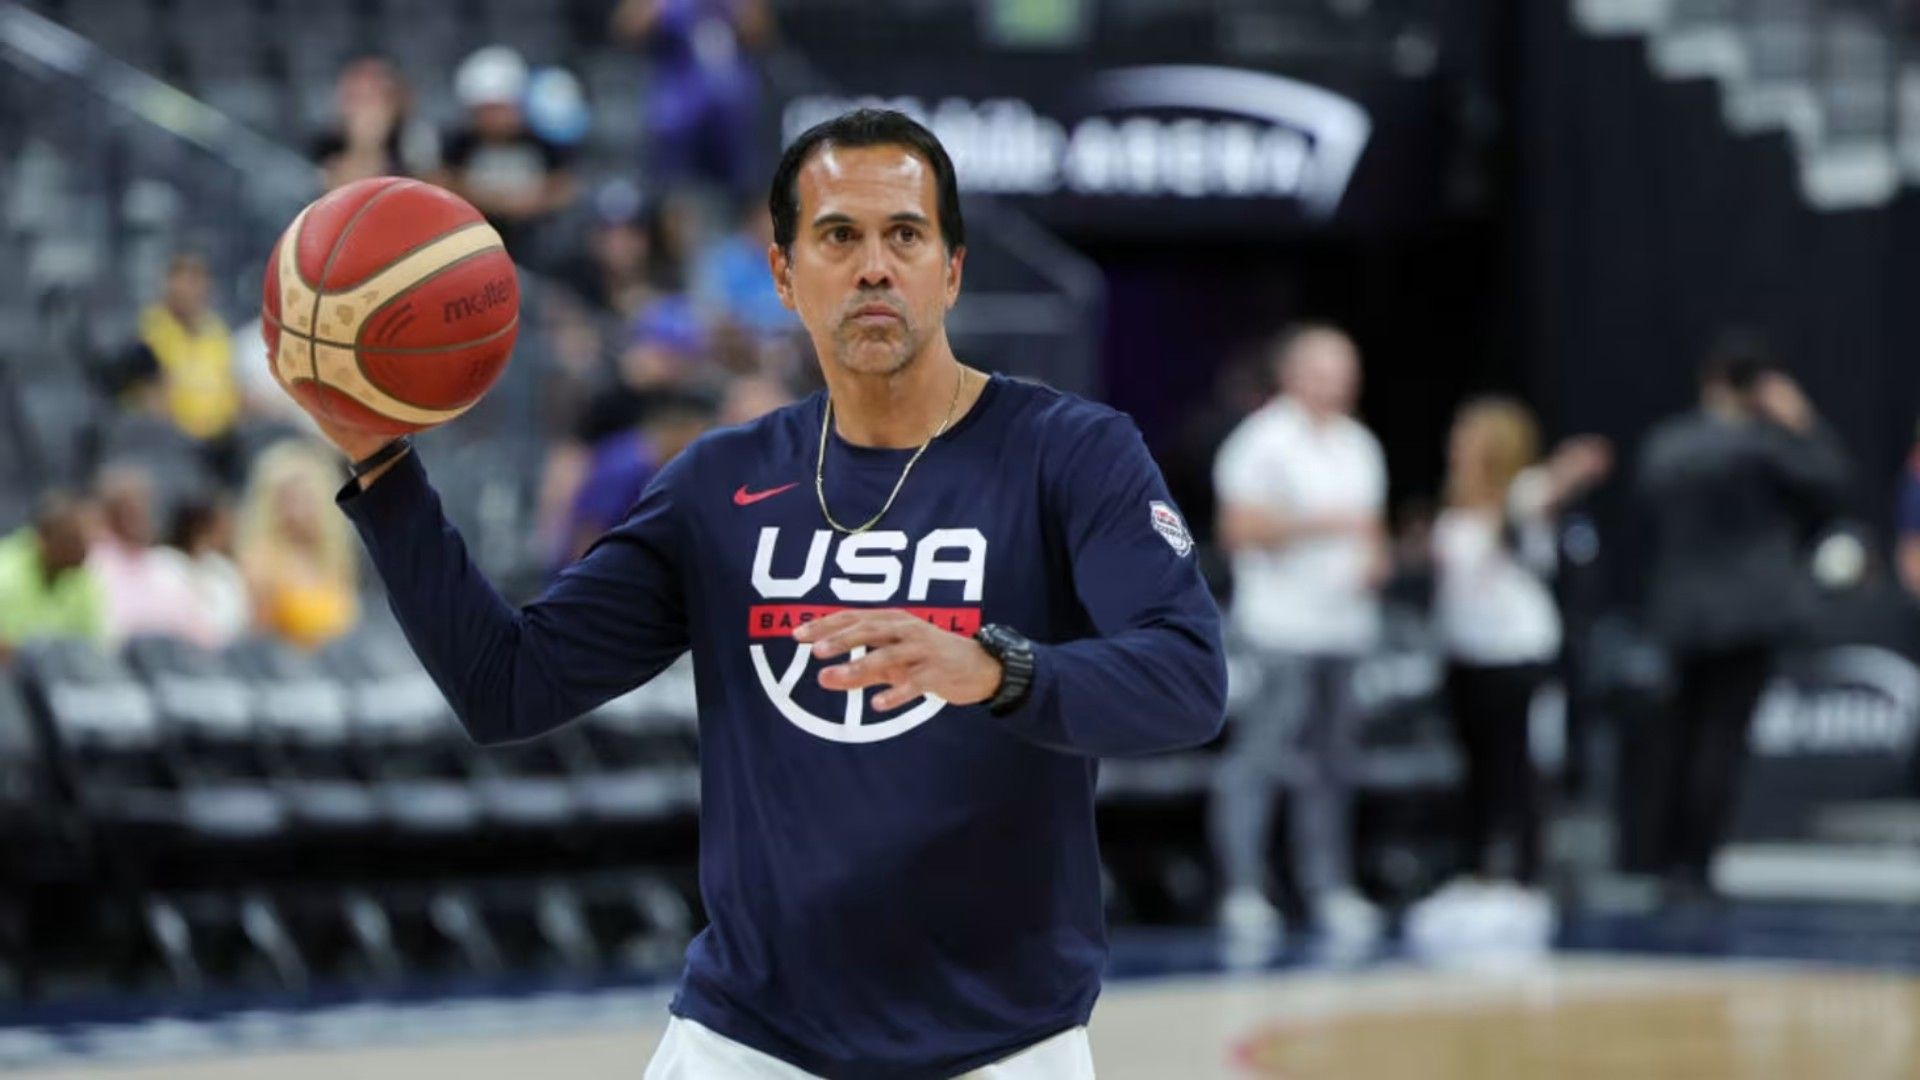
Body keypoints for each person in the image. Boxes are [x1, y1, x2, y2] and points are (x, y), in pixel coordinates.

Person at [278, 108, 1224, 1078]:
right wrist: (383, 469)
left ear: (951, 270)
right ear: (783, 274)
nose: (874, 268)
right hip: (747, 1041)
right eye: (838, 236)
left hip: (1003, 1044)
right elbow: (506, 688)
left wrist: (994, 668)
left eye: (904, 236)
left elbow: (1188, 681)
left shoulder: (1071, 454)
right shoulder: (719, 484)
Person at [1638, 343, 1848, 900]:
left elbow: (1646, 504)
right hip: (1746, 614)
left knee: (1681, 737)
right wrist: (1802, 422)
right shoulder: (1765, 447)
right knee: (1720, 741)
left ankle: (1665, 859)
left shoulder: (1669, 443)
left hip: (1683, 614)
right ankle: (1697, 863)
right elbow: (1832, 481)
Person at [1407, 398, 1610, 956]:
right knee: (1475, 770)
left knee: (1518, 768)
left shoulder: (1520, 496)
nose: (1456, 445)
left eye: (1468, 437)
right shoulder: (1454, 505)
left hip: (1517, 651)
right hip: (1464, 651)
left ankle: (1523, 880)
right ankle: (1475, 873)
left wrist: (1572, 467)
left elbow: (1545, 491)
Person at [1208, 323, 1388, 947]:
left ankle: (1328, 886)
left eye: (1345, 373)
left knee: (1334, 766)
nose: (1336, 384)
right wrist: (1320, 524)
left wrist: (1375, 559)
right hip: (1280, 628)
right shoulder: (1261, 443)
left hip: (1345, 629)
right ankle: (1243, 888)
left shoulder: (1360, 445)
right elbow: (1237, 529)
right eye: (1324, 371)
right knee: (1260, 758)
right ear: (1293, 374)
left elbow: (1371, 528)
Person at [438, 46, 575, 261]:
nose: (494, 118)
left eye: (500, 109)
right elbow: (440, 183)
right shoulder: (459, 144)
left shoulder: (543, 143)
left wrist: (528, 204)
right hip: (473, 242)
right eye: (486, 111)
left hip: (533, 240)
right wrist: (496, 202)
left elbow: (565, 189)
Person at [238, 441, 360, 651]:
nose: (299, 508)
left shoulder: (334, 560)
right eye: (289, 498)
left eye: (307, 497)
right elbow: (257, 643)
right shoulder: (259, 561)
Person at [87, 465, 217, 647]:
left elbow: (204, 639)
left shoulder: (170, 567)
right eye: (128, 508)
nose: (140, 515)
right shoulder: (93, 567)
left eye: (144, 504)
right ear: (109, 513)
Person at [308, 55, 441, 191]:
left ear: (396, 108)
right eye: (358, 98)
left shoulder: (425, 180)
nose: (368, 110)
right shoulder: (315, 178)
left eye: (378, 98)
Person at [0, 492, 105, 664]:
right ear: (43, 539)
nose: (84, 548)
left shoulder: (83, 577)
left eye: (87, 540)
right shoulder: (5, 573)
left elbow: (95, 647)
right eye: (73, 541)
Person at [155, 496, 250, 648]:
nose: (227, 534)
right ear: (197, 528)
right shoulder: (162, 563)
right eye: (218, 528)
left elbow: (238, 622)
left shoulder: (223, 570)